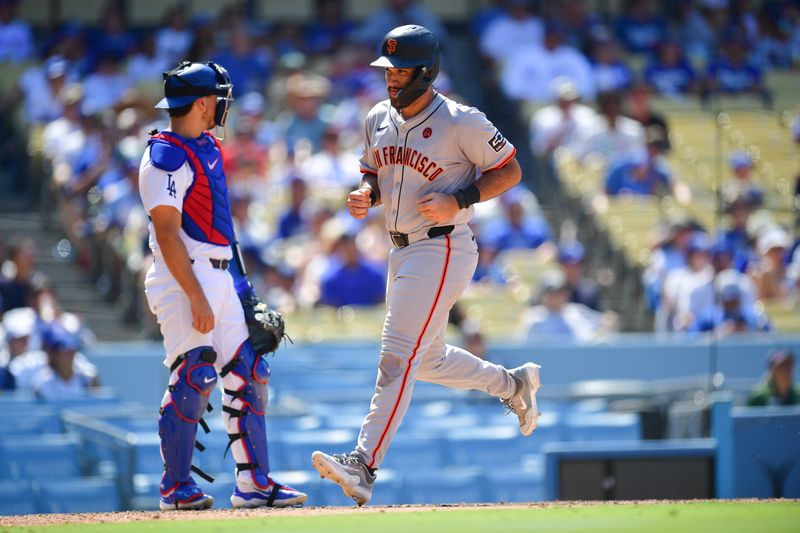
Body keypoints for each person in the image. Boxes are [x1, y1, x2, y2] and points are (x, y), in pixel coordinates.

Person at [311, 25, 541, 507]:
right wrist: (365, 195)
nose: (390, 79)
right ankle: (513, 383)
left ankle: (364, 464)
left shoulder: (462, 120)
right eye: (387, 70)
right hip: (401, 249)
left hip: (442, 246)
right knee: (428, 360)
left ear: (426, 71)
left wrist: (462, 197)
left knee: (397, 355)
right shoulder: (377, 116)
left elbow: (511, 169)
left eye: (399, 71)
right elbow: (374, 172)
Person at [138, 61, 306, 510]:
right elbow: (168, 234)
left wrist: (244, 290)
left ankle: (254, 485)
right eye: (217, 98)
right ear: (200, 103)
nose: (222, 105)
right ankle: (175, 488)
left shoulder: (206, 147)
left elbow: (223, 231)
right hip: (182, 276)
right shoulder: (165, 154)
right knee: (194, 372)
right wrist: (195, 294)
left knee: (251, 371)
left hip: (218, 274)